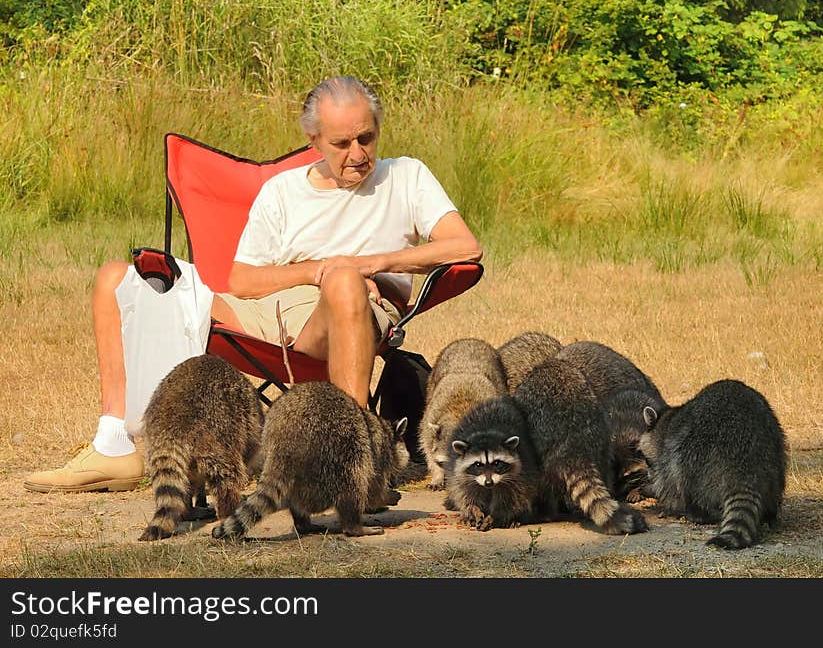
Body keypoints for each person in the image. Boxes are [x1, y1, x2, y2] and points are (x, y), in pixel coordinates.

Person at [24, 76, 482, 493]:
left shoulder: (406, 176)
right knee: (116, 280)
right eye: (342, 143)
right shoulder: (282, 191)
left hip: (350, 308)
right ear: (314, 140)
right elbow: (242, 279)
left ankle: (347, 463)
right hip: (266, 310)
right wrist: (313, 269)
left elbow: (464, 246)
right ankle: (114, 445)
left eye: (367, 137)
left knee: (343, 281)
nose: (358, 154)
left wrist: (369, 264)